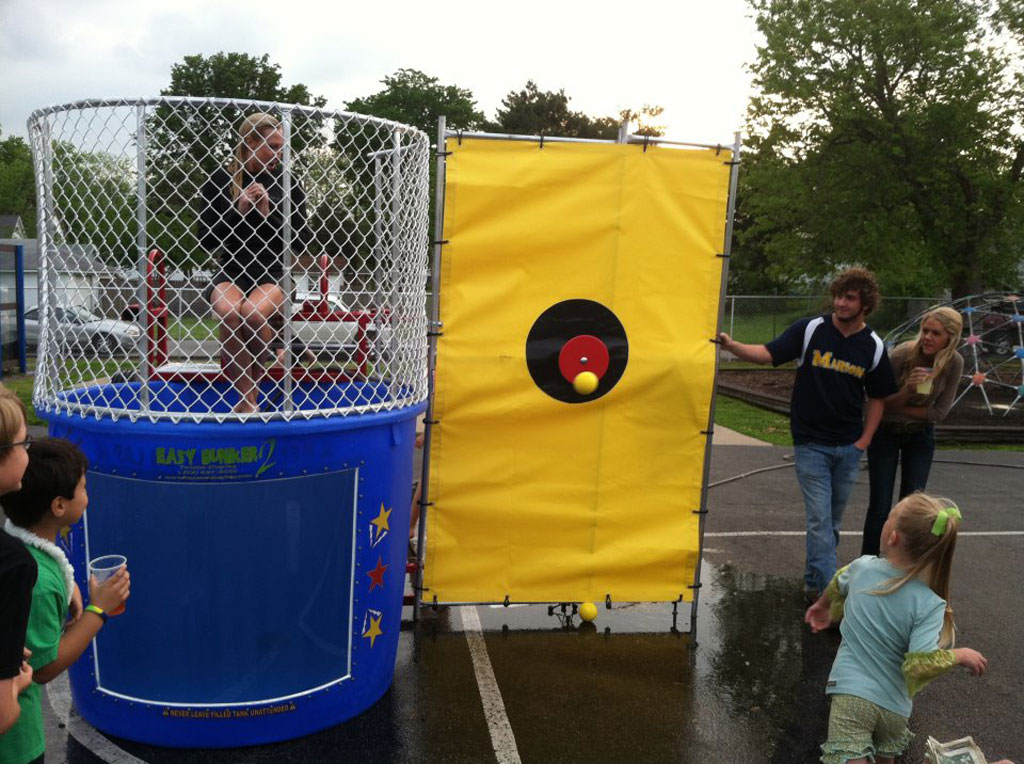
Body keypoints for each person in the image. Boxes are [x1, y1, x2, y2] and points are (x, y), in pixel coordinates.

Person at [718, 268, 899, 602]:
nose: (841, 303)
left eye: (849, 298)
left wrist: (864, 441)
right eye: (839, 296)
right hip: (811, 444)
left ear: (865, 304)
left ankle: (813, 582)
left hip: (848, 446)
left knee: (830, 523)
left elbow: (878, 397)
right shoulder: (811, 329)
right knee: (819, 520)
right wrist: (733, 346)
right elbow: (768, 354)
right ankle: (826, 595)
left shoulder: (872, 345)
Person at [805, 493, 987, 764]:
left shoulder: (861, 567)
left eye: (890, 517)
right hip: (895, 708)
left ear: (893, 537)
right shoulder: (931, 603)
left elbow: (836, 583)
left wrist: (822, 607)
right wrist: (957, 655)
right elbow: (920, 664)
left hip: (851, 694)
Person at [0, 438, 130, 764]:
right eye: (83, 487)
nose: (88, 495)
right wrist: (98, 610)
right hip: (15, 744)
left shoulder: (19, 539)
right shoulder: (37, 581)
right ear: (59, 506)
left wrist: (69, 582)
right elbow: (44, 668)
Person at [198, 112, 310, 414]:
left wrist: (267, 213)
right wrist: (239, 209)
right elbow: (205, 239)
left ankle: (252, 390)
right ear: (250, 142)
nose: (278, 154)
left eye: (281, 148)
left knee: (253, 314)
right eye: (271, 146)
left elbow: (301, 241)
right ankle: (248, 400)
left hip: (272, 270)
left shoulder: (287, 182)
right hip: (232, 268)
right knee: (227, 312)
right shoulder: (220, 180)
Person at [861, 307, 964, 556]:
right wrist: (908, 390)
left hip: (920, 435)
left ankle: (905, 564)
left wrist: (902, 408)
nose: (927, 337)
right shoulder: (903, 354)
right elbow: (878, 405)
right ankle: (866, 563)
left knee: (913, 506)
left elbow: (939, 413)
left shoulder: (954, 362)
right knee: (880, 504)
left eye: (935, 333)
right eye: (925, 331)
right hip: (885, 433)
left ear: (950, 337)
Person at [0, 385, 34, 735]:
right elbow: (1, 715)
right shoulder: (12, 564)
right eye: (25, 444)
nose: (28, 453)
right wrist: (16, 684)